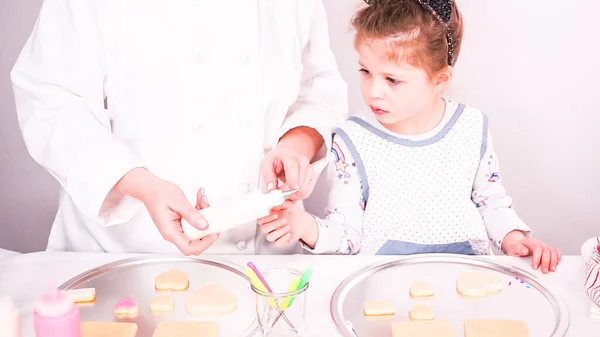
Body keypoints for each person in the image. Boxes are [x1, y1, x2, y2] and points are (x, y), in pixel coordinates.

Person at [11, 0, 347, 255]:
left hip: (265, 262)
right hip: (125, 256)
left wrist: (297, 144)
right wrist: (140, 183)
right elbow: (50, 102)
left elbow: (316, 88)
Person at [258, 0, 562, 273]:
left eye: (392, 79)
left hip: (468, 280)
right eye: (366, 72)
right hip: (384, 289)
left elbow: (491, 202)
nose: (373, 91)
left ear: (440, 79)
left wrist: (515, 240)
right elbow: (347, 235)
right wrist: (305, 227)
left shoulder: (471, 127)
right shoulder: (352, 141)